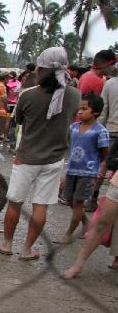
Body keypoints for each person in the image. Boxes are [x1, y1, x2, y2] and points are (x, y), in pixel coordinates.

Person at [0, 47, 81, 262]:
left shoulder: (28, 95)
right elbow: (71, 116)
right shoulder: (74, 95)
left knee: (15, 202)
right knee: (41, 205)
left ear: (41, 68)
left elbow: (18, 120)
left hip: (26, 157)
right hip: (55, 159)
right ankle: (27, 249)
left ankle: (7, 243)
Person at [53, 95, 110, 245]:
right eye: (79, 109)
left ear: (95, 112)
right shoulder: (74, 128)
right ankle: (85, 222)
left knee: (78, 203)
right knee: (70, 200)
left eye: (84, 109)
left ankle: (69, 233)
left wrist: (97, 168)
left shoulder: (100, 131)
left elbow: (104, 152)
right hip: (72, 170)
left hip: (88, 173)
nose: (80, 112)